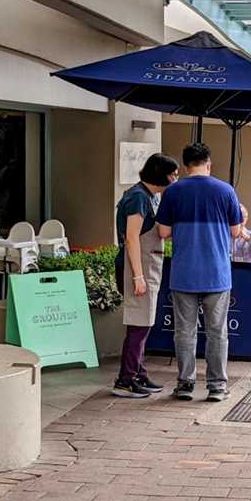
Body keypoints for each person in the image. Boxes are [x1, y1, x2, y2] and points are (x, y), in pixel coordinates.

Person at [155, 143, 242, 402]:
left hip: (184, 273)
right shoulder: (226, 190)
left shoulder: (173, 192)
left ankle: (185, 384)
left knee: (184, 331)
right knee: (217, 332)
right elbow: (236, 231)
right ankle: (217, 386)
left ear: (185, 165)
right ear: (209, 163)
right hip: (217, 273)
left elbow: (162, 232)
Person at [112, 153, 180, 399]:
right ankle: (126, 379)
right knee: (139, 326)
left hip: (147, 265)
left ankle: (138, 372)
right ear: (161, 174)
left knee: (145, 322)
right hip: (137, 267)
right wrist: (137, 277)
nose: (175, 178)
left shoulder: (149, 196)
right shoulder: (139, 197)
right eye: (172, 173)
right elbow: (132, 237)